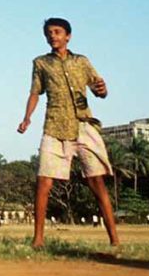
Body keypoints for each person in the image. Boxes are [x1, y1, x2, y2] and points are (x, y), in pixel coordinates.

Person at [17, 18, 119, 249]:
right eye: (49, 33)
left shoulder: (82, 61)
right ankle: (38, 239)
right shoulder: (41, 63)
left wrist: (102, 90)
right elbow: (35, 92)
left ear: (68, 36)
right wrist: (27, 118)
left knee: (97, 183)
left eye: (57, 32)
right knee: (43, 182)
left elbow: (99, 89)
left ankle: (114, 239)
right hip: (54, 126)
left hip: (84, 125)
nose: (53, 36)